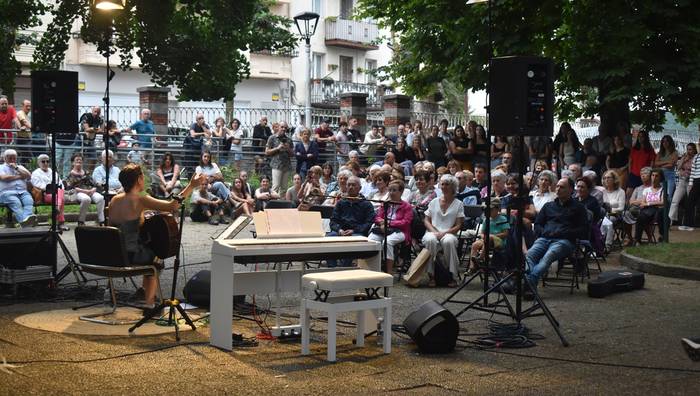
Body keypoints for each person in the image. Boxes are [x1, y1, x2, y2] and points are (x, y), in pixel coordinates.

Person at [108, 163, 202, 307]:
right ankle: (149, 304)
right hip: (130, 255)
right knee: (157, 260)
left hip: (113, 254)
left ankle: (143, 292)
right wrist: (191, 185)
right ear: (139, 179)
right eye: (143, 176)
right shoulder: (140, 196)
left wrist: (141, 216)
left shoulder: (115, 199)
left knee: (147, 252)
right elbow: (172, 206)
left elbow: (123, 221)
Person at [524, 178, 589, 297]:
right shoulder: (548, 206)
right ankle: (531, 285)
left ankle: (528, 282)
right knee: (529, 255)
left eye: (562, 187)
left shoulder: (578, 208)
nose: (558, 189)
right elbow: (538, 224)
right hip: (545, 238)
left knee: (547, 258)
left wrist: (566, 232)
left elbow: (584, 230)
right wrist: (544, 232)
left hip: (564, 241)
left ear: (570, 189)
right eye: (557, 186)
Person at [422, 174, 465, 287]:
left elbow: (459, 225)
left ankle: (453, 276)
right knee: (430, 240)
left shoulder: (459, 204)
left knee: (448, 241)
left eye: (447, 184)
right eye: (442, 184)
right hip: (433, 231)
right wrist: (434, 232)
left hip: (450, 233)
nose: (444, 187)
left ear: (453, 187)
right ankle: (431, 275)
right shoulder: (434, 201)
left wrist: (444, 233)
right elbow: (426, 220)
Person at [327, 176, 375, 267]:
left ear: (360, 188)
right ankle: (332, 267)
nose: (350, 187)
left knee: (351, 241)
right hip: (341, 232)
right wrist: (339, 230)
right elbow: (333, 221)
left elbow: (369, 223)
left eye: (353, 185)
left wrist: (354, 230)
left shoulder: (366, 204)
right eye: (349, 185)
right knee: (328, 238)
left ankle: (345, 268)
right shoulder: (341, 203)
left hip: (357, 233)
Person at [367, 179, 413, 275]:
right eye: (390, 190)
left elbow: (406, 222)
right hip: (383, 228)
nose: (391, 193)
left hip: (401, 231)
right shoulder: (386, 204)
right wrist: (382, 223)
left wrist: (388, 223)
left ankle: (389, 271)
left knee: (387, 242)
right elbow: (377, 217)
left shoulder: (406, 206)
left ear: (401, 192)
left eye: (394, 190)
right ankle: (373, 269)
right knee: (371, 240)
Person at [468, 197, 509, 275]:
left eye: (491, 209)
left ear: (497, 209)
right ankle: (472, 267)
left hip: (499, 241)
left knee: (489, 238)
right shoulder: (486, 220)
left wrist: (492, 236)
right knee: (475, 244)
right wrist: (483, 236)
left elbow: (506, 233)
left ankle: (480, 258)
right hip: (486, 239)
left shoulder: (503, 219)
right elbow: (483, 232)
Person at [64, 153, 105, 226]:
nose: (79, 161)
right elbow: (70, 188)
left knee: (100, 198)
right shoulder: (70, 174)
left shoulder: (87, 172)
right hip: (78, 192)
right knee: (86, 199)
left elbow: (94, 183)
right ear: (73, 162)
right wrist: (85, 191)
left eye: (80, 160)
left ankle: (101, 220)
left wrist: (93, 189)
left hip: (90, 191)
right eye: (77, 160)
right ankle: (81, 221)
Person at [31, 154, 69, 231]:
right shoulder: (36, 173)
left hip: (56, 193)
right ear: (39, 163)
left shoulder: (53, 172)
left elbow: (60, 184)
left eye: (47, 161)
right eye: (43, 161)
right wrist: (51, 188)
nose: (45, 163)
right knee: (60, 198)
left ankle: (57, 209)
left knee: (59, 193)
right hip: (44, 194)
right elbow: (37, 185)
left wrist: (57, 188)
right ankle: (60, 222)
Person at [0, 149, 36, 227]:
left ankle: (25, 222)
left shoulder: (20, 167)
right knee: (16, 204)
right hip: (7, 193)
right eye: (10, 158)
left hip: (23, 192)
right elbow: (4, 178)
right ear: (5, 158)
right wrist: (20, 176)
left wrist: (16, 168)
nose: (12, 160)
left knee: (29, 201)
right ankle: (26, 223)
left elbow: (29, 175)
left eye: (14, 158)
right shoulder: (1, 167)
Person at [195, 151, 232, 219]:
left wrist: (210, 176)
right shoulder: (199, 168)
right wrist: (214, 176)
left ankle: (220, 215)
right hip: (206, 187)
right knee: (220, 185)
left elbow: (221, 177)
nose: (206, 158)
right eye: (205, 156)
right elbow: (200, 180)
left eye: (208, 157)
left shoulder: (214, 165)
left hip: (214, 185)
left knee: (219, 189)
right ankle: (230, 200)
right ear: (201, 157)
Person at [633, 169, 665, 245]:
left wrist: (649, 203)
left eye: (656, 176)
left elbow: (662, 202)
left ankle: (662, 236)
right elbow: (643, 202)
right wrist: (653, 203)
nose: (654, 177)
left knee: (661, 213)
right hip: (648, 210)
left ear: (660, 178)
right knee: (641, 217)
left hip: (658, 210)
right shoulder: (646, 190)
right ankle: (637, 240)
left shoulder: (663, 189)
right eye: (652, 175)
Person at [670, 143, 697, 226]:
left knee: (690, 202)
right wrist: (684, 160)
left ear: (694, 150)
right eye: (687, 149)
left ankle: (690, 221)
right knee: (675, 200)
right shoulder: (684, 157)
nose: (688, 151)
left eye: (690, 149)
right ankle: (671, 220)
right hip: (682, 180)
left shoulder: (696, 158)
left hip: (691, 182)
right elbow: (678, 168)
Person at [627, 130, 656, 198]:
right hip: (634, 173)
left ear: (645, 138)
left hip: (644, 174)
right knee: (628, 192)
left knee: (643, 193)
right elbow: (630, 161)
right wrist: (630, 172)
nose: (640, 138)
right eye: (639, 136)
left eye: (642, 136)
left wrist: (649, 172)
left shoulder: (650, 150)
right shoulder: (634, 149)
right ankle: (627, 207)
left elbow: (652, 162)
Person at [681, 141, 700, 231]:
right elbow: (693, 171)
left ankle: (695, 224)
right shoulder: (696, 157)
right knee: (690, 202)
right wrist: (691, 183)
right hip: (696, 181)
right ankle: (688, 224)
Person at [78, 106, 103, 171]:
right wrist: (95, 129)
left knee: (94, 158)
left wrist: (92, 129)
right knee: (77, 158)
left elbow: (102, 130)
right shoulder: (86, 116)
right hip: (81, 140)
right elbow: (87, 129)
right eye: (95, 111)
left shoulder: (99, 119)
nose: (96, 114)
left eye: (98, 112)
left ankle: (88, 174)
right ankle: (76, 173)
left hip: (91, 141)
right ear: (92, 110)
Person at [654, 135, 678, 200]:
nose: (665, 143)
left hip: (670, 175)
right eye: (663, 141)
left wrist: (660, 165)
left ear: (670, 142)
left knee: (668, 195)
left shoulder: (674, 152)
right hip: (660, 175)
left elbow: (671, 165)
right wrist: (667, 161)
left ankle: (668, 209)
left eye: (667, 141)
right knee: (660, 194)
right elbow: (656, 163)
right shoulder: (660, 153)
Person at [14, 99, 33, 164]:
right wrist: (33, 128)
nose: (28, 108)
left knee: (24, 158)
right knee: (29, 157)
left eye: (30, 106)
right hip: (22, 139)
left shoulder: (27, 114)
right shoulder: (20, 113)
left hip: (27, 139)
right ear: (22, 106)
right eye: (26, 106)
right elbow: (24, 122)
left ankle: (23, 171)